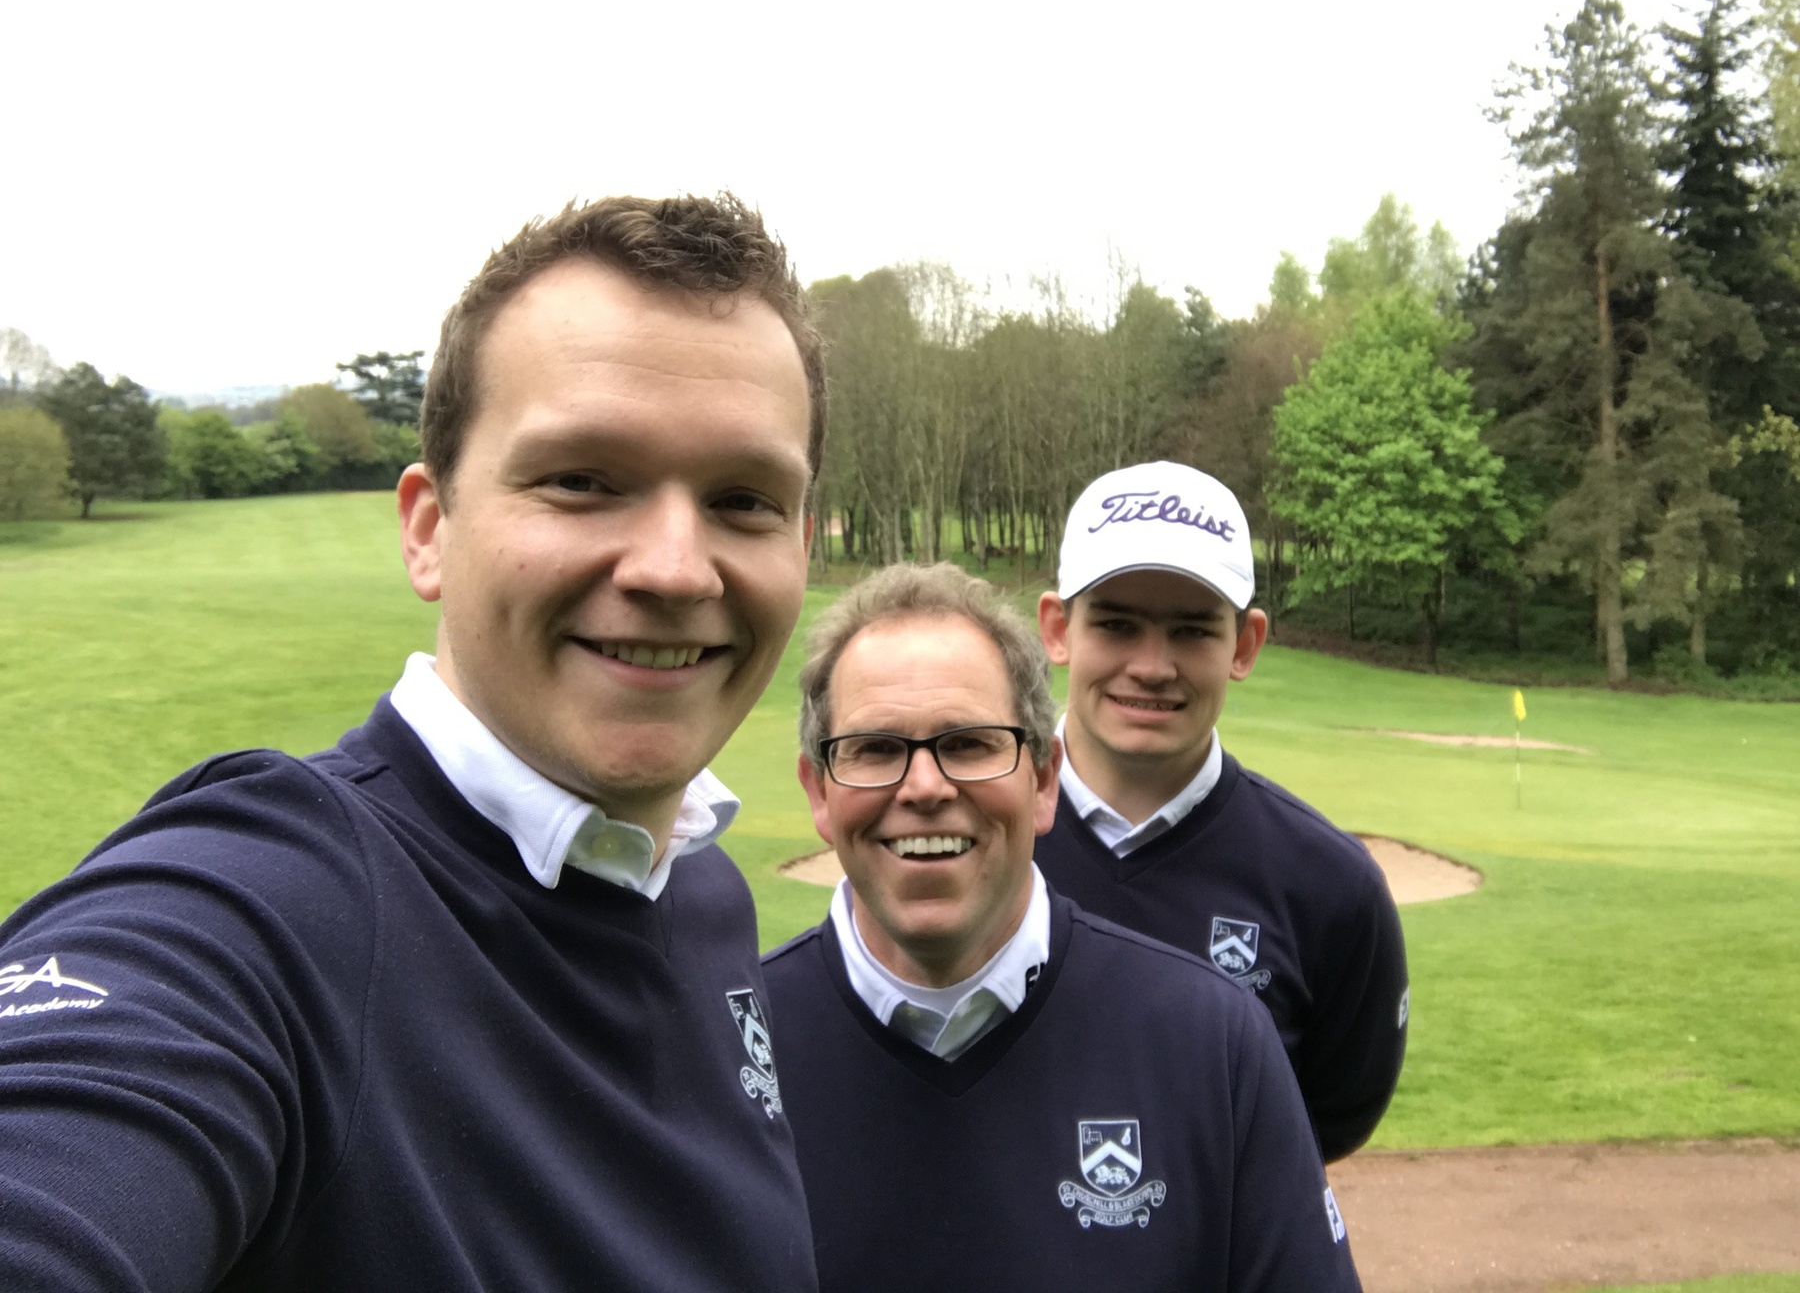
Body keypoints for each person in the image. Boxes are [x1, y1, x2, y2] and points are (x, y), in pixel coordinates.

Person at [0, 195, 824, 1291]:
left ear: (805, 540)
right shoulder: (271, 897)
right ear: (429, 527)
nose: (676, 567)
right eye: (581, 479)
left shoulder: (699, 888)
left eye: (743, 499)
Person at [763, 563, 1361, 1293]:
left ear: (1043, 779)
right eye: (876, 749)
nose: (924, 788)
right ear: (819, 793)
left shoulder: (1214, 1042)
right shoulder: (725, 1056)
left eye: (970, 743)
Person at [1033, 460, 1409, 1162]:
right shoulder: (965, 836)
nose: (1152, 665)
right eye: (1116, 624)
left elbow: (1330, 1121)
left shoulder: (1330, 884)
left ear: (1244, 644)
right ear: (1058, 630)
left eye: (1192, 631)